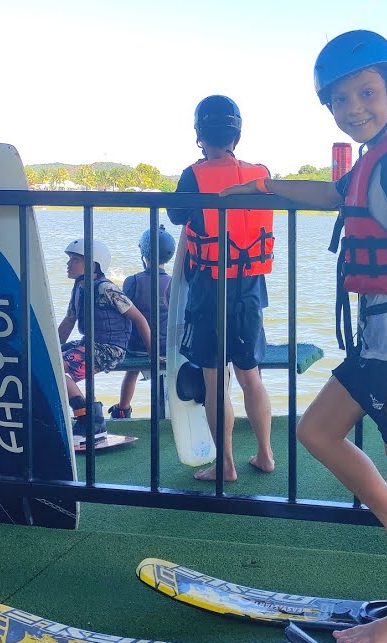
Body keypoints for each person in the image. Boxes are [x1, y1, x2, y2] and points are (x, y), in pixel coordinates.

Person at [220, 30, 387, 643]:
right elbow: (338, 194)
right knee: (317, 431)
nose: (354, 108)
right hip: (378, 338)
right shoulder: (374, 159)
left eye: (367, 93)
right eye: (341, 100)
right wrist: (268, 188)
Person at [168, 95, 275, 482]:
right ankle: (265, 454)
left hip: (210, 287)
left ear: (199, 134)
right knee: (250, 375)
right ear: (237, 132)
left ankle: (226, 465)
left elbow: (178, 215)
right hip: (250, 284)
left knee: (216, 379)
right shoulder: (259, 171)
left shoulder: (193, 175)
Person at [56, 237, 151, 444]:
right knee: (45, 363)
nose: (68, 263)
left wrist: (152, 355)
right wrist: (52, 348)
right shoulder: (79, 288)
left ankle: (89, 421)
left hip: (110, 349)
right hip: (88, 344)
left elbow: (139, 318)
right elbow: (69, 320)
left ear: (92, 264)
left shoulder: (106, 289)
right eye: (70, 258)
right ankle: (84, 418)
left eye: (75, 259)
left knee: (55, 369)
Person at [110, 224, 175, 420]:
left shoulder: (133, 281)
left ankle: (123, 408)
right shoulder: (173, 282)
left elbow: (123, 312)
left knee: (132, 371)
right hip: (166, 348)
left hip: (137, 347)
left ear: (143, 253)